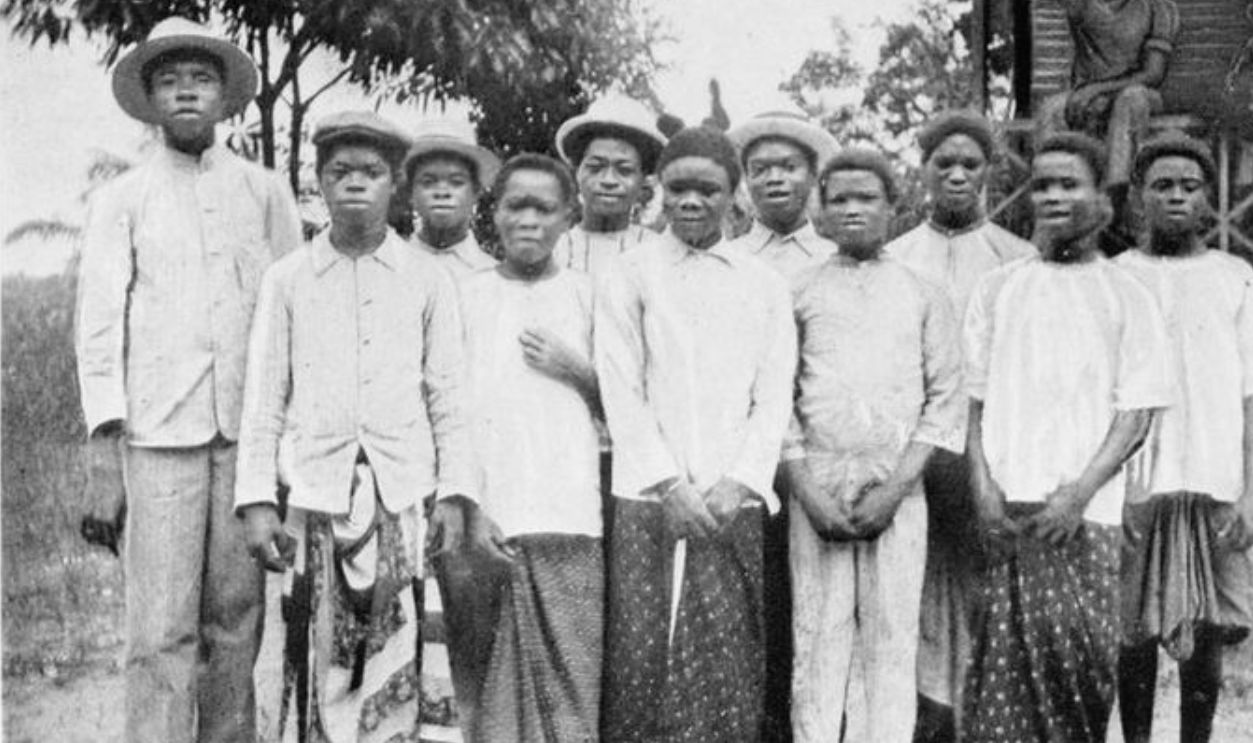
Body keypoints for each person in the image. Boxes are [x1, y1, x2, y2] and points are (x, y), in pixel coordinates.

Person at [74, 17, 301, 743]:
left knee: (236, 623)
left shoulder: (264, 193)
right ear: (150, 99)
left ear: (224, 97)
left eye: (200, 79)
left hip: (245, 443)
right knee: (160, 630)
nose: (186, 92)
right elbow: (99, 326)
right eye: (169, 81)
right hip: (158, 440)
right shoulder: (123, 199)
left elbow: (291, 315)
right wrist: (104, 449)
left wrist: (284, 449)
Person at [234, 111, 480, 742]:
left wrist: (454, 493)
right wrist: (257, 499)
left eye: (371, 171)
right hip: (318, 498)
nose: (355, 183)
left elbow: (448, 396)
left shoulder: (426, 279)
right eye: (340, 171)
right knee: (319, 657)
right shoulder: (287, 279)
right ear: (319, 181)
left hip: (402, 496)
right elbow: (264, 400)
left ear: (394, 184)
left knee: (403, 654)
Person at [960, 132, 1173, 743]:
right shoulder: (999, 289)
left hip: (1084, 517)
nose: (1053, 196)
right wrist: (983, 490)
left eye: (1068, 184)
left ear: (1101, 198)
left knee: (1074, 675)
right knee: (998, 687)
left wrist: (1077, 496)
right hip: (1006, 512)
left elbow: (1135, 416)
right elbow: (973, 405)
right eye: (1042, 185)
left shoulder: (1126, 294)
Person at [596, 126, 797, 742]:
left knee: (725, 662)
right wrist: (668, 484)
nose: (690, 201)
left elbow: (773, 395)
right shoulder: (630, 274)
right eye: (677, 187)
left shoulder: (763, 283)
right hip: (649, 496)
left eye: (707, 189)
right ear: (658, 188)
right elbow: (620, 387)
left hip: (730, 500)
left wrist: (740, 482)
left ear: (733, 194)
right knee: (643, 658)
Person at [783, 148, 965, 743]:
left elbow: (945, 399)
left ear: (894, 206)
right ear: (821, 210)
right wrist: (808, 492)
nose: (853, 210)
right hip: (818, 490)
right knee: (817, 635)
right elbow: (778, 397)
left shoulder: (923, 291)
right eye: (839, 199)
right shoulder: (797, 290)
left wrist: (896, 489)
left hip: (897, 491)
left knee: (891, 640)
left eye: (867, 198)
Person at [884, 110, 1036, 743]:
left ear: (989, 172)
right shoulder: (894, 256)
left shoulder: (1018, 259)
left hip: (986, 455)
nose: (955, 175)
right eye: (942, 163)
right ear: (922, 169)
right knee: (918, 597)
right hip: (914, 457)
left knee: (985, 595)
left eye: (969, 164)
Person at [448, 153, 604, 742]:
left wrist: (577, 369)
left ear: (569, 217)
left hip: (570, 520)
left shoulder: (590, 295)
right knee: (481, 692)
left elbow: (631, 406)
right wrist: (472, 507)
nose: (529, 221)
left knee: (571, 687)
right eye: (516, 206)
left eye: (544, 208)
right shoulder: (466, 295)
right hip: (487, 522)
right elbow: (450, 410)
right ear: (494, 213)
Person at [1113, 133, 1253, 743]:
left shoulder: (1235, 278)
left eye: (1189, 186)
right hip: (1137, 480)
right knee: (1132, 630)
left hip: (1212, 476)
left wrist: (1249, 492)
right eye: (1162, 185)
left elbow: (1250, 396)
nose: (1176, 196)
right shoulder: (1117, 276)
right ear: (1139, 197)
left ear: (1207, 198)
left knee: (1208, 630)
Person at [726, 109, 840, 742]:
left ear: (813, 176)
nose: (774, 179)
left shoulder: (835, 256)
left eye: (789, 166)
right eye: (760, 168)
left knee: (816, 605)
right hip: (747, 459)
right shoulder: (728, 258)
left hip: (819, 458)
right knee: (758, 601)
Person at [1038, 0, 1181, 225]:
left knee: (1130, 98)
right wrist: (1087, 93)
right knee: (1052, 108)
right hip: (1096, 94)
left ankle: (1117, 198)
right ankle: (1056, 192)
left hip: (1140, 94)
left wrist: (1098, 90)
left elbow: (1153, 74)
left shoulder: (1157, 7)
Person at [553, 94, 668, 277]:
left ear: (642, 178)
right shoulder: (553, 252)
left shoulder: (660, 254)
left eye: (624, 170)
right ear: (577, 172)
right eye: (595, 167)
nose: (608, 180)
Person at [405, 117, 501, 279]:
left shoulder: (494, 277)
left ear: (476, 192)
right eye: (428, 182)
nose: (442, 192)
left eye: (456, 182)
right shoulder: (389, 270)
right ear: (410, 192)